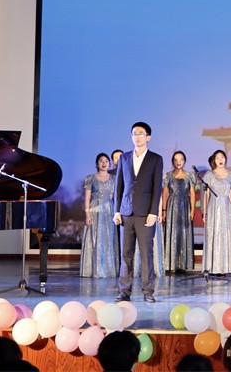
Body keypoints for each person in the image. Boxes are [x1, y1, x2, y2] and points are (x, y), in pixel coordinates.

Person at [113, 121, 164, 304]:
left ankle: (148, 291)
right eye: (134, 133)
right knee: (125, 255)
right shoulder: (124, 158)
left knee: (146, 255)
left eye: (141, 133)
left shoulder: (155, 159)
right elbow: (118, 186)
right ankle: (124, 291)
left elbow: (157, 187)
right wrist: (117, 211)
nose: (137, 136)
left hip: (145, 215)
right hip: (126, 213)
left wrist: (153, 212)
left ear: (148, 137)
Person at [80, 153, 120, 278]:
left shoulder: (114, 178)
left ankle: (109, 270)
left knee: (109, 239)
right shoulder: (91, 178)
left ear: (109, 164)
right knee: (95, 238)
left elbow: (116, 198)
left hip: (109, 210)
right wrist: (87, 215)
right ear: (97, 164)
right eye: (101, 161)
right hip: (95, 210)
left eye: (106, 161)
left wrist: (118, 213)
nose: (104, 163)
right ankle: (94, 270)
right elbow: (87, 198)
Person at [203, 149, 231, 275]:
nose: (220, 160)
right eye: (217, 158)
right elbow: (206, 195)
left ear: (225, 159)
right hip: (213, 208)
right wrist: (205, 212)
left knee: (225, 236)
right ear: (214, 160)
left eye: (222, 157)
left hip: (226, 208)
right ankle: (212, 267)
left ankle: (224, 268)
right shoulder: (209, 175)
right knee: (213, 235)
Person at [160, 150, 196, 274]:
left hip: (185, 206)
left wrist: (192, 210)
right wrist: (164, 210)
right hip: (172, 206)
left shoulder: (189, 175)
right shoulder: (168, 176)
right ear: (172, 162)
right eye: (176, 160)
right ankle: (171, 264)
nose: (178, 162)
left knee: (184, 233)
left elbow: (192, 193)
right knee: (172, 233)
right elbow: (165, 193)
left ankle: (183, 264)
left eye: (181, 159)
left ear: (184, 161)